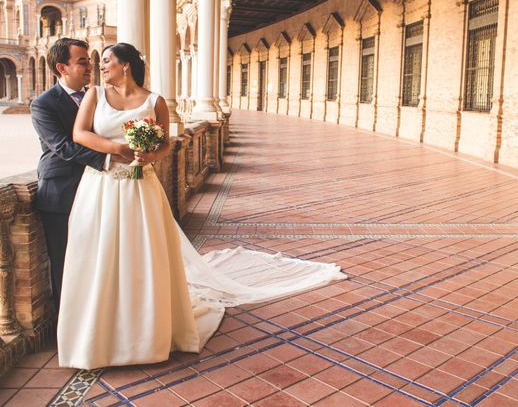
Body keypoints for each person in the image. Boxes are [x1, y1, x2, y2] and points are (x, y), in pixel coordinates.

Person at [57, 42, 345, 369]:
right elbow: (79, 134)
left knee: (143, 257)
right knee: (99, 255)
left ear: (126, 65)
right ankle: (97, 337)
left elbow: (164, 145)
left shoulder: (156, 102)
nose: (101, 66)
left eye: (107, 61)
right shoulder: (95, 95)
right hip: (101, 188)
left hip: (141, 189)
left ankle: (145, 336)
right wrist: (118, 149)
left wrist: (147, 156)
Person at [30, 38, 132, 310]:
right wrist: (110, 157)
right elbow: (62, 147)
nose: (91, 66)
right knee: (65, 261)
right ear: (62, 67)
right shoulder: (43, 104)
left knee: (98, 258)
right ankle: (68, 327)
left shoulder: (97, 97)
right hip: (61, 190)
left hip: (99, 188)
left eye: (90, 61)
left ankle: (99, 317)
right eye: (83, 62)